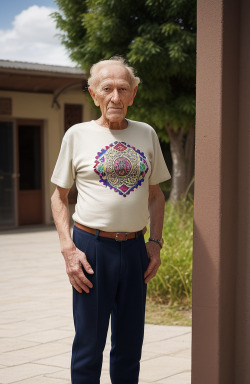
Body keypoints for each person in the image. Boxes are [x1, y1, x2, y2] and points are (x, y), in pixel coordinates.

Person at [51, 57, 171, 384]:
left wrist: (155, 245)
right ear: (93, 94)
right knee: (89, 344)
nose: (115, 97)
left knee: (130, 345)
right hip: (91, 249)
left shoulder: (146, 134)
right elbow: (58, 197)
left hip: (134, 250)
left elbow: (156, 195)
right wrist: (69, 250)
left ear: (133, 95)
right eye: (107, 89)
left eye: (123, 89)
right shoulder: (77, 135)